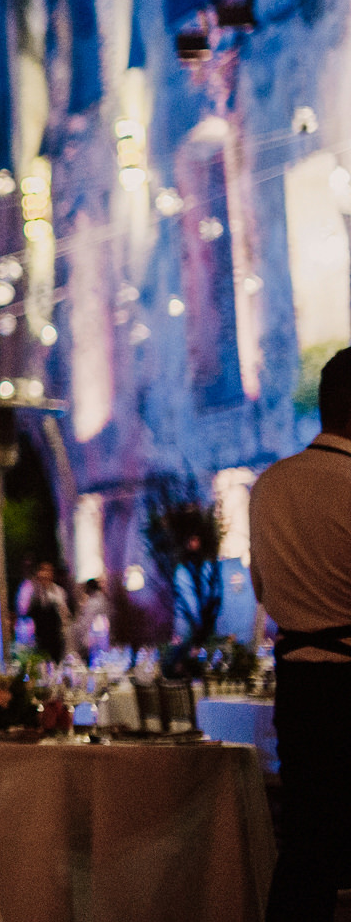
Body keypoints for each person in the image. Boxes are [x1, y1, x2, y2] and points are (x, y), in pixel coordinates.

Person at [252, 347, 351, 922]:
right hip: (348, 686)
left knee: (307, 846)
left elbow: (264, 591)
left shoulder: (271, 484)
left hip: (299, 689)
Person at [16, 561, 72, 662]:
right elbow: (22, 612)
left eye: (48, 571)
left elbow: (64, 615)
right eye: (42, 570)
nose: (45, 574)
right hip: (35, 638)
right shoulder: (28, 590)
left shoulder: (58, 591)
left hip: (54, 638)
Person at [72, 577, 111, 658]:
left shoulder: (93, 602)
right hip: (102, 637)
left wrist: (81, 636)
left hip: (93, 639)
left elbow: (87, 621)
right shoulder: (102, 599)